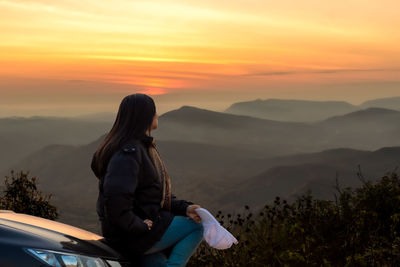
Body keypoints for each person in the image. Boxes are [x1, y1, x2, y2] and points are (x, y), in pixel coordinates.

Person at [90, 93, 204, 267]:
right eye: (154, 111)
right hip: (133, 236)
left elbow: (153, 195)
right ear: (144, 116)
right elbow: (115, 201)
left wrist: (185, 208)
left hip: (136, 231)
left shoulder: (138, 148)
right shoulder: (129, 153)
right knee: (196, 227)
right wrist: (140, 226)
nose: (157, 115)